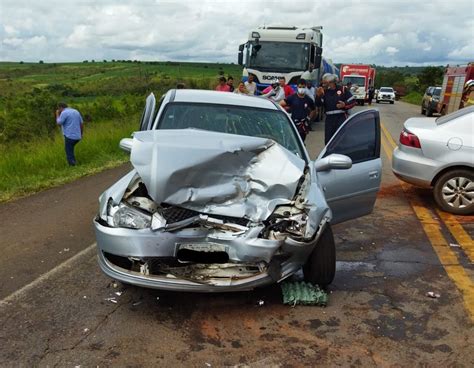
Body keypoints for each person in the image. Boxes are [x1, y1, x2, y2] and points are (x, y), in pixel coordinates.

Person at [316, 73, 356, 144]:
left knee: (341, 139)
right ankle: (329, 155)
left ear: (331, 82)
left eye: (325, 83)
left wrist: (344, 104)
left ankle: (341, 154)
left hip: (341, 118)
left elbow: (353, 101)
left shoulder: (342, 89)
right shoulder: (323, 91)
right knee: (329, 141)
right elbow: (318, 104)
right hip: (329, 119)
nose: (323, 84)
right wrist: (318, 96)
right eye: (323, 83)